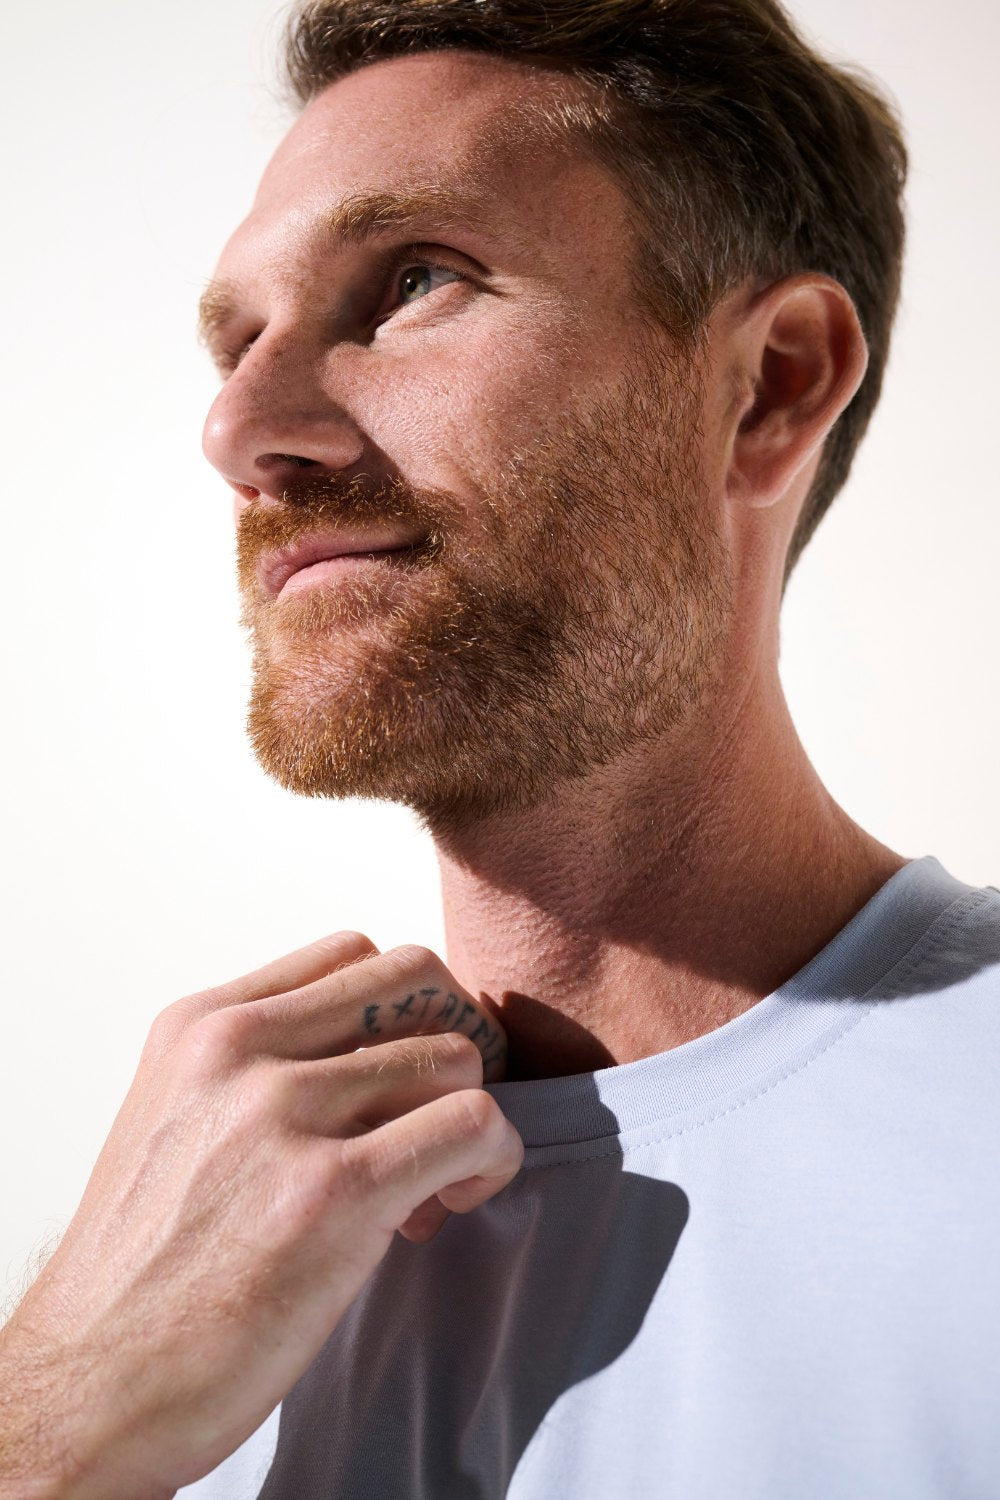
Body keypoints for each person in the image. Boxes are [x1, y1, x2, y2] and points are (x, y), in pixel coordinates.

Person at [1, 0, 998, 1494]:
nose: (242, 427)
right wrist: (51, 1424)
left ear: (773, 385)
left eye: (413, 280)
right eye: (239, 338)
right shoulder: (166, 1249)